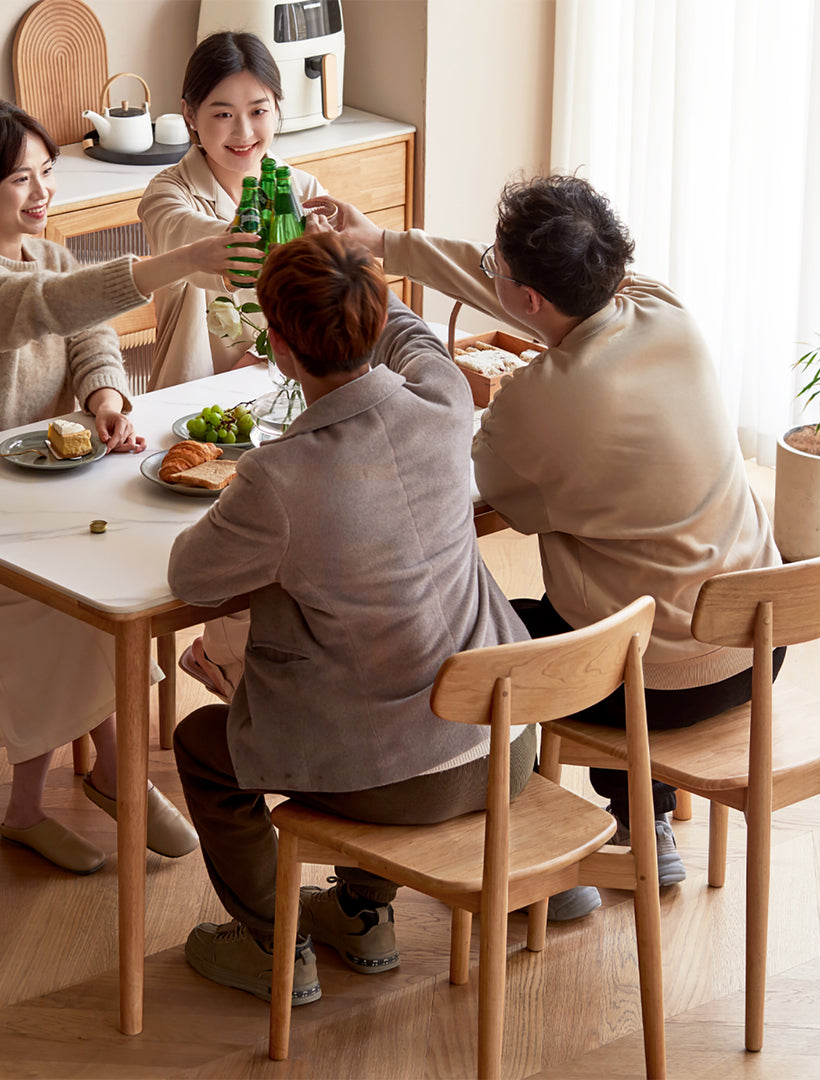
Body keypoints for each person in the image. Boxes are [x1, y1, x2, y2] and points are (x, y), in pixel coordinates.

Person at [310, 174, 784, 917]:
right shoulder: (660, 308)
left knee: (470, 648)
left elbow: (483, 487)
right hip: (758, 643)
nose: (492, 270)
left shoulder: (543, 404)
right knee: (637, 594)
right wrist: (386, 245)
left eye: (500, 266)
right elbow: (514, 288)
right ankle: (641, 815)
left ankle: (531, 855)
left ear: (529, 301)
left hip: (648, 686)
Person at [0, 99, 262, 876]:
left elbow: (91, 341)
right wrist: (181, 261)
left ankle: (99, 775)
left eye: (47, 172)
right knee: (53, 612)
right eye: (19, 180)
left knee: (105, 593)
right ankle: (58, 798)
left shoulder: (50, 255)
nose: (41, 192)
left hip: (27, 500)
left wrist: (106, 403)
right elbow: (45, 310)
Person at [167, 231, 537, 1006]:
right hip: (505, 738)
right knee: (386, 676)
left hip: (397, 778)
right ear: (374, 326)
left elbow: (190, 578)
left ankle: (278, 949)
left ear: (276, 345)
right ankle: (361, 914)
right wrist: (360, 276)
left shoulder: (278, 476)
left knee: (203, 746)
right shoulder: (445, 401)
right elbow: (414, 337)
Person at [138, 30, 328, 697]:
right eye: (222, 112)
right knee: (235, 555)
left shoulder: (302, 185)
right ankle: (240, 679)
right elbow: (191, 245)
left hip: (284, 405)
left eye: (259, 108)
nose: (244, 130)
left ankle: (249, 676)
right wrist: (267, 230)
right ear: (190, 116)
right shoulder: (168, 192)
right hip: (194, 411)